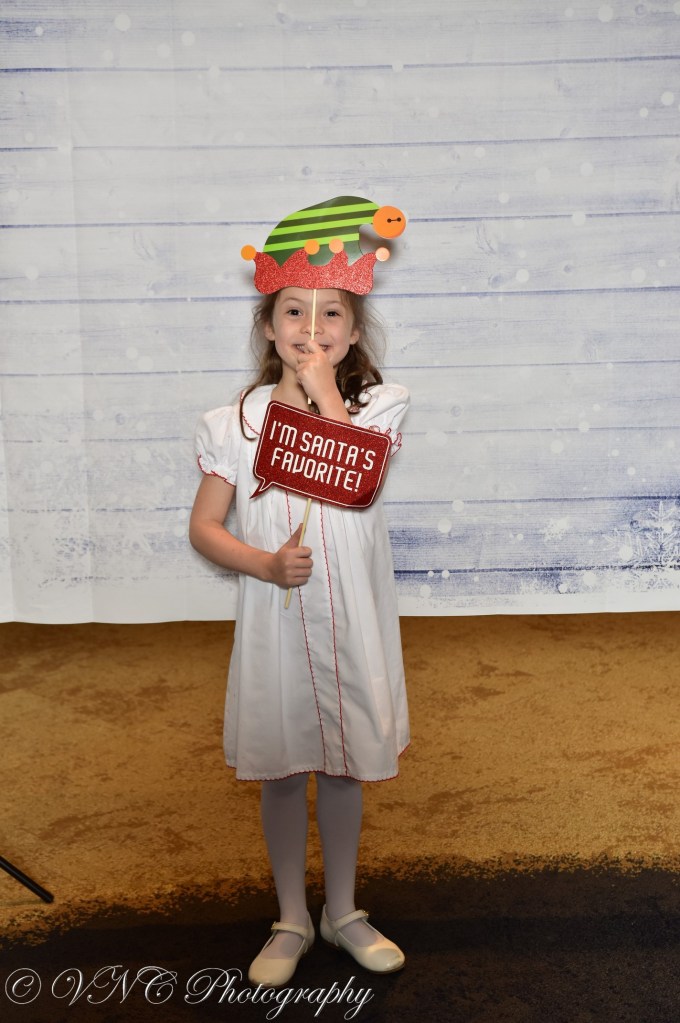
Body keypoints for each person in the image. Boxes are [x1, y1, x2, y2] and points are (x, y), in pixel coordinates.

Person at [189, 197, 409, 988]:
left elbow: (358, 480)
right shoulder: (235, 422)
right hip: (277, 620)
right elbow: (205, 526)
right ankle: (291, 914)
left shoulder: (379, 406)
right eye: (293, 310)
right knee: (283, 767)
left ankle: (342, 910)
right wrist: (261, 563)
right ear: (267, 324)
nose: (310, 326)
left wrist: (323, 391)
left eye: (330, 313)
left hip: (348, 621)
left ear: (353, 330)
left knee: (343, 765)